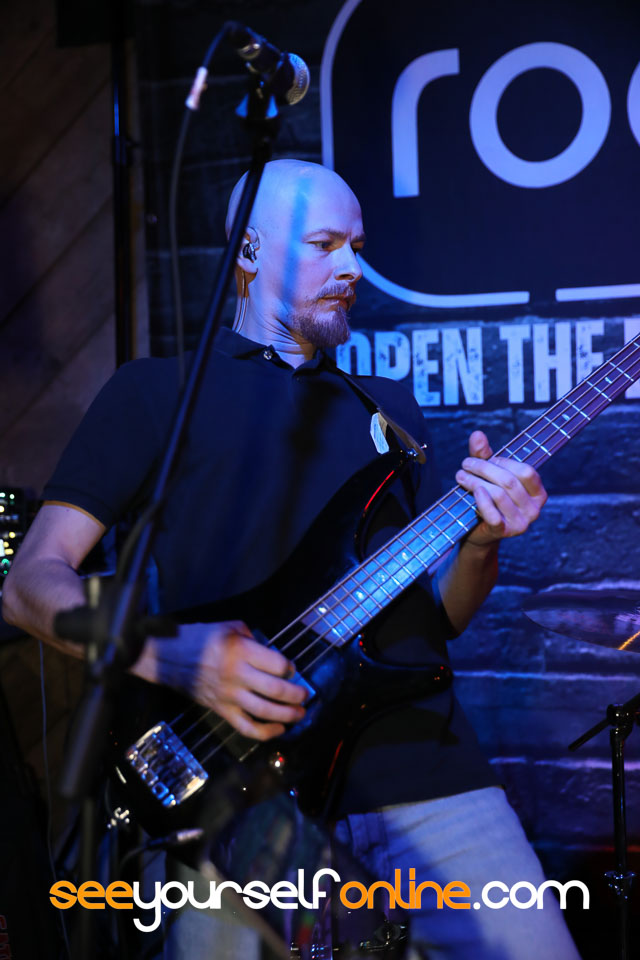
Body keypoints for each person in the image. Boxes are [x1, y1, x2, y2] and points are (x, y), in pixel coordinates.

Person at [2, 159, 581, 959]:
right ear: (248, 250)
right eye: (323, 244)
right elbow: (30, 586)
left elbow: (437, 619)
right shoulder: (155, 394)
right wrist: (172, 654)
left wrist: (482, 542)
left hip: (424, 763)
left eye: (357, 247)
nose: (351, 268)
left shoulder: (391, 410)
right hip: (240, 788)